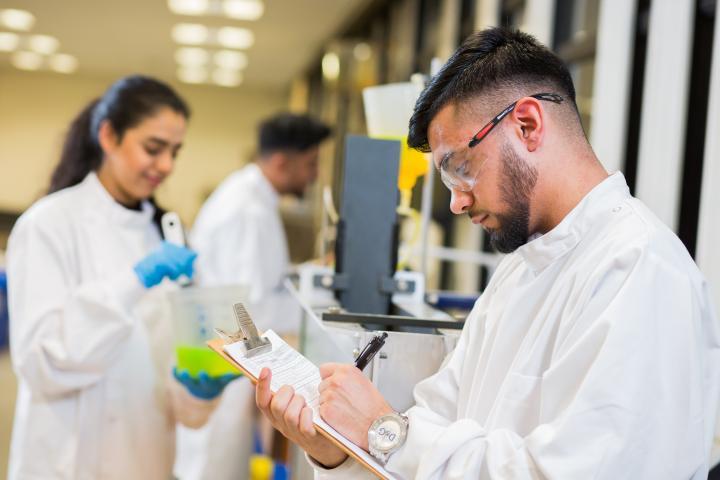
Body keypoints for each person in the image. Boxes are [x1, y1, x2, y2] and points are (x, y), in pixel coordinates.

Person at [252, 27, 720, 479]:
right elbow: (432, 425)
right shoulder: (519, 270)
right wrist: (339, 452)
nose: (456, 201)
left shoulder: (640, 269)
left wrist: (382, 431)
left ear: (528, 124)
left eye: (461, 169)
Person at [6, 75, 225, 479]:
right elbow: (41, 363)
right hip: (67, 461)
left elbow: (167, 376)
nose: (167, 166)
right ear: (108, 136)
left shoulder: (168, 234)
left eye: (175, 152)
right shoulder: (49, 224)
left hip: (146, 458)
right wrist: (135, 280)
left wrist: (198, 392)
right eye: (153, 149)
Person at [174, 112, 331, 479]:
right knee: (214, 464)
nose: (314, 175)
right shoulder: (247, 211)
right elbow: (248, 308)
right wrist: (313, 307)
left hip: (230, 356)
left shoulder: (252, 199)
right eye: (310, 164)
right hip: (222, 361)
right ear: (281, 162)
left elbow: (258, 285)